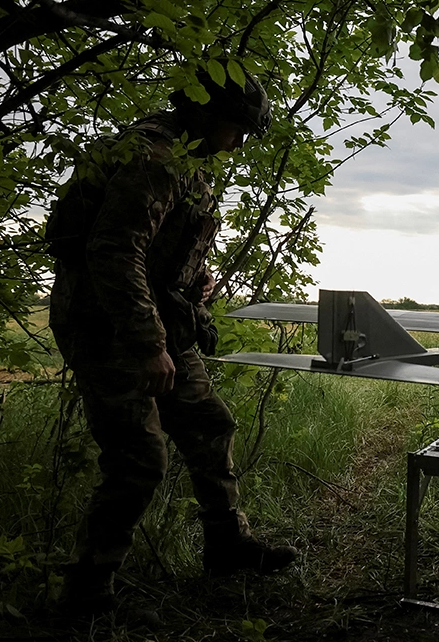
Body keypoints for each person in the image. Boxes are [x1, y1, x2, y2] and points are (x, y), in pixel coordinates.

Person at [46, 66, 297, 615]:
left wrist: (194, 279)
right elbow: (114, 251)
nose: (237, 144)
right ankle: (86, 591)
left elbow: (159, 247)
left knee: (209, 423)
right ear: (206, 114)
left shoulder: (188, 162)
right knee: (138, 457)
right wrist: (147, 345)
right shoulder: (153, 157)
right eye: (236, 129)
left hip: (160, 321)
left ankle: (227, 545)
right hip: (109, 325)